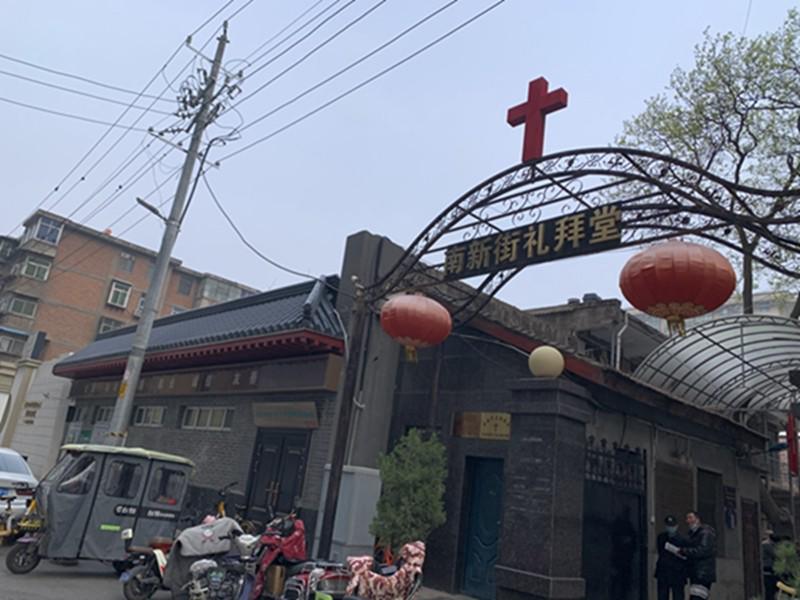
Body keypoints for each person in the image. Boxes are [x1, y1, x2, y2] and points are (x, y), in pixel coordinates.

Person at [680, 511, 716, 600]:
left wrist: (684, 551)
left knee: (697, 597)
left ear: (697, 519)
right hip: (695, 572)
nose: (688, 521)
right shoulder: (692, 534)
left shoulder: (706, 533)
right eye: (687, 518)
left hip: (703, 573)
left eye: (690, 518)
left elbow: (702, 550)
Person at [655, 515, 687, 600]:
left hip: (678, 572)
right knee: (662, 596)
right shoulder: (661, 537)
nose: (670, 528)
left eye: (672, 526)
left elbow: (684, 555)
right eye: (668, 526)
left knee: (678, 596)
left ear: (677, 526)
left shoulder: (682, 539)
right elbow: (661, 551)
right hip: (663, 572)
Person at [762, 530, 778, 600]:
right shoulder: (766, 544)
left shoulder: (771, 544)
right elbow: (774, 554)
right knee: (769, 587)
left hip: (772, 568)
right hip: (767, 567)